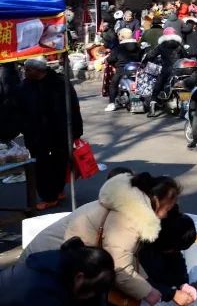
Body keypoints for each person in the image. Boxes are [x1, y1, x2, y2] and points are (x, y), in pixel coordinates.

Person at [64, 172, 181, 304]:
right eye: (167, 209)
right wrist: (148, 292)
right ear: (157, 202)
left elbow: (128, 257)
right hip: (59, 257)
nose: (165, 216)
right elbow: (119, 268)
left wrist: (149, 285)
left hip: (70, 257)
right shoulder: (129, 218)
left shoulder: (129, 205)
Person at [14, 57, 83, 210]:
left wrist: (77, 131)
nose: (25, 72)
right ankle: (51, 194)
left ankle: (52, 195)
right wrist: (23, 126)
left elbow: (73, 107)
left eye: (28, 69)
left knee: (59, 162)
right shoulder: (24, 86)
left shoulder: (59, 83)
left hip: (59, 132)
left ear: (38, 70)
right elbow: (18, 110)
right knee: (41, 165)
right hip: (36, 134)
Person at [0, 237, 115, 306]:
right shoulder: (40, 291)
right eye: (89, 290)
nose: (90, 295)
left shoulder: (68, 261)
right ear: (79, 277)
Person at [138, 207, 197, 306]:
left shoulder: (171, 239)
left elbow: (177, 261)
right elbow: (140, 281)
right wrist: (171, 294)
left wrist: (183, 284)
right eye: (175, 249)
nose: (176, 252)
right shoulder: (144, 247)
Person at [105, 28, 143, 111]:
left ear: (122, 36)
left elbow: (111, 59)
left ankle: (112, 103)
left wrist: (109, 61)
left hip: (122, 70)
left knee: (113, 84)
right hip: (137, 70)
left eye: (119, 35)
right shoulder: (138, 46)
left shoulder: (118, 47)